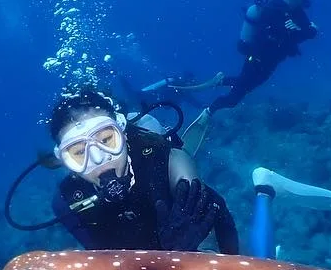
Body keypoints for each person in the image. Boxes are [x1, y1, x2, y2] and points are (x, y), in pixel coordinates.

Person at [49, 88, 241, 254]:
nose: (99, 159)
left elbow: (212, 210)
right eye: (79, 152)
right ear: (64, 160)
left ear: (122, 130)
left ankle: (263, 190)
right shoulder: (67, 203)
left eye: (107, 140)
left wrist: (200, 247)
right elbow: (103, 258)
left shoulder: (158, 155)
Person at [209, 0, 318, 112]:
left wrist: (302, 31)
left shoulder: (296, 10)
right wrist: (301, 31)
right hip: (256, 62)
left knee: (245, 85)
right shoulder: (273, 10)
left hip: (270, 63)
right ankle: (209, 112)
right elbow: (299, 34)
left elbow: (307, 32)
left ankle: (220, 80)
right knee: (234, 99)